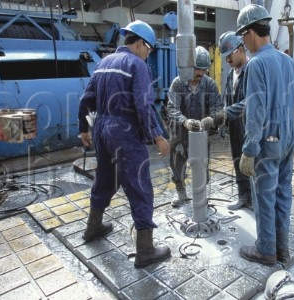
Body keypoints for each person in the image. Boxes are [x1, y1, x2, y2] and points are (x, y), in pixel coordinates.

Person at [78, 20, 171, 268]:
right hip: (125, 131)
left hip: (101, 130)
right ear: (140, 43)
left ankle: (93, 227)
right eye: (148, 49)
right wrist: (158, 136)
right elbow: (143, 104)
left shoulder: (103, 63)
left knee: (106, 179)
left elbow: (86, 99)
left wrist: (82, 129)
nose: (148, 54)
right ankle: (145, 250)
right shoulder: (136, 65)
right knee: (140, 186)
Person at [235, 4, 294, 266]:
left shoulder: (256, 64)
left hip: (267, 144)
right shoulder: (287, 61)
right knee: (283, 195)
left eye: (243, 36)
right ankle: (282, 248)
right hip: (287, 140)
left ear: (252, 32)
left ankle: (266, 250)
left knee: (264, 197)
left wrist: (249, 150)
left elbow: (256, 110)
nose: (243, 42)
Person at [167, 46, 225, 207]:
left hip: (200, 136)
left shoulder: (210, 85)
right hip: (179, 134)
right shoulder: (178, 83)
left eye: (204, 70)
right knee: (177, 166)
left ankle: (200, 195)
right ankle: (181, 193)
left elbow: (217, 108)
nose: (200, 73)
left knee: (202, 166)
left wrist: (210, 119)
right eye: (197, 70)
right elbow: (171, 108)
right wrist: (185, 121)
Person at [218, 31, 252, 210]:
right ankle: (243, 196)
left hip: (249, 126)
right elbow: (227, 97)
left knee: (252, 162)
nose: (227, 60)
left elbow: (250, 102)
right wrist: (224, 121)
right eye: (225, 57)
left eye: (229, 55)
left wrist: (226, 113)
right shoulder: (232, 74)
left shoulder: (252, 69)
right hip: (235, 125)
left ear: (240, 50)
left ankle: (255, 198)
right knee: (237, 160)